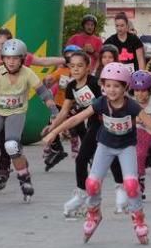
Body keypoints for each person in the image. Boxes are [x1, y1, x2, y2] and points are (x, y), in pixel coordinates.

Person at [42, 62, 151, 245]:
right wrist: (54, 132)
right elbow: (77, 118)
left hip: (126, 148)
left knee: (132, 185)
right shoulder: (101, 103)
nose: (112, 90)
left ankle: (138, 219)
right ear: (103, 87)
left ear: (125, 87)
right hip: (105, 147)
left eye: (116, 86)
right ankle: (94, 213)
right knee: (92, 183)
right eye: (108, 85)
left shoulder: (132, 106)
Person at [0, 38, 59, 202]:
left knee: (11, 146)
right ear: (3, 58)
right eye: (8, 58)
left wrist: (54, 111)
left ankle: (24, 178)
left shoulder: (27, 73)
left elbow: (43, 93)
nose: (11, 62)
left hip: (16, 112)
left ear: (22, 59)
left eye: (15, 58)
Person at [45, 50, 125, 218]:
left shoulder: (95, 83)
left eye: (80, 66)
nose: (75, 69)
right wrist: (52, 127)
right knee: (83, 159)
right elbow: (65, 111)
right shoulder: (71, 87)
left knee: (107, 156)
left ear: (88, 67)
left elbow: (113, 99)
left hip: (108, 122)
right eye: (72, 66)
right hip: (94, 124)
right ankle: (82, 194)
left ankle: (122, 189)